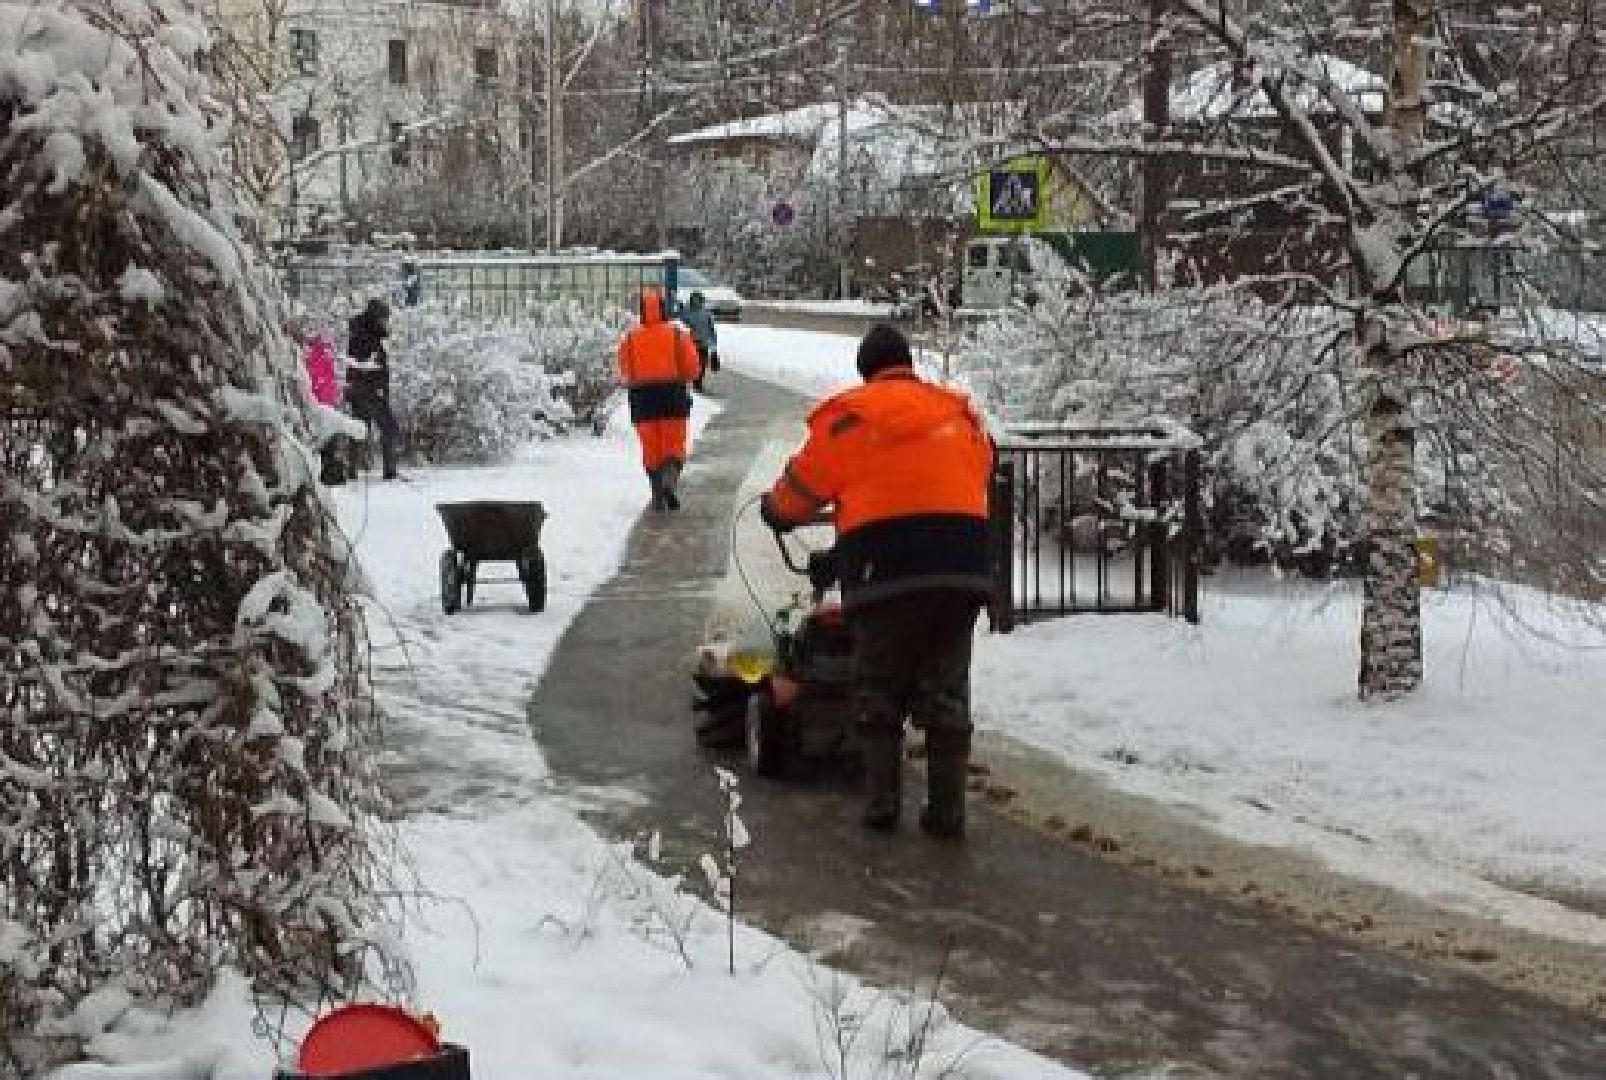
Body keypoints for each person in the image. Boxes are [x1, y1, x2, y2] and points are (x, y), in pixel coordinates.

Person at [760, 324, 993, 839]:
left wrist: (775, 513)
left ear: (865, 371)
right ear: (909, 363)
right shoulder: (959, 415)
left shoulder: (849, 418)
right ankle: (947, 813)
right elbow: (977, 472)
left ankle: (883, 806)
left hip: (885, 572)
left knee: (879, 687)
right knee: (947, 690)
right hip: (962, 569)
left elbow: (798, 491)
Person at [617, 287, 701, 512]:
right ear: (663, 310)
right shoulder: (676, 335)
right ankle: (669, 482)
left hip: (642, 399)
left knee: (651, 448)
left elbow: (624, 371)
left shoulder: (630, 338)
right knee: (673, 445)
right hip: (672, 395)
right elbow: (693, 368)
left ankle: (656, 491)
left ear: (642, 312)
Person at [346, 297, 401, 481]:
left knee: (360, 428)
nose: (387, 322)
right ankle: (389, 471)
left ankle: (351, 470)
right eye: (384, 318)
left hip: (360, 390)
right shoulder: (366, 337)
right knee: (388, 427)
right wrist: (378, 386)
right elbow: (367, 366)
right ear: (376, 318)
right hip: (369, 390)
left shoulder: (362, 334)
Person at [681, 290, 719, 393]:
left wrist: (714, 348)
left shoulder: (706, 312)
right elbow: (681, 325)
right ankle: (692, 383)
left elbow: (711, 329)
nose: (697, 302)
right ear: (691, 300)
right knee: (692, 363)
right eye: (695, 299)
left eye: (699, 299)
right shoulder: (685, 311)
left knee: (702, 364)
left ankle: (698, 384)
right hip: (690, 342)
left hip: (703, 343)